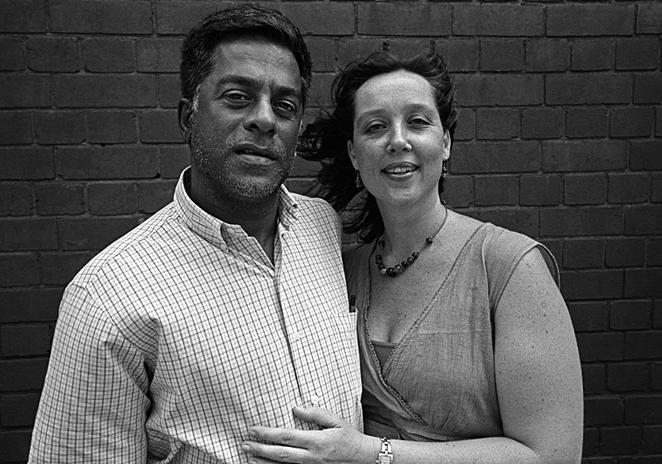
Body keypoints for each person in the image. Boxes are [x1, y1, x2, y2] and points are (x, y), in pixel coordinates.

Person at [28, 4, 362, 463]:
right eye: (238, 97)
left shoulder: (321, 226)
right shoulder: (107, 296)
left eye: (285, 105)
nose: (265, 119)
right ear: (189, 116)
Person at [243, 51, 583, 463]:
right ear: (354, 154)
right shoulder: (338, 271)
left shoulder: (510, 267)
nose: (398, 141)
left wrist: (371, 453)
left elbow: (553, 455)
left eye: (418, 122)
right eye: (376, 127)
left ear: (445, 143)